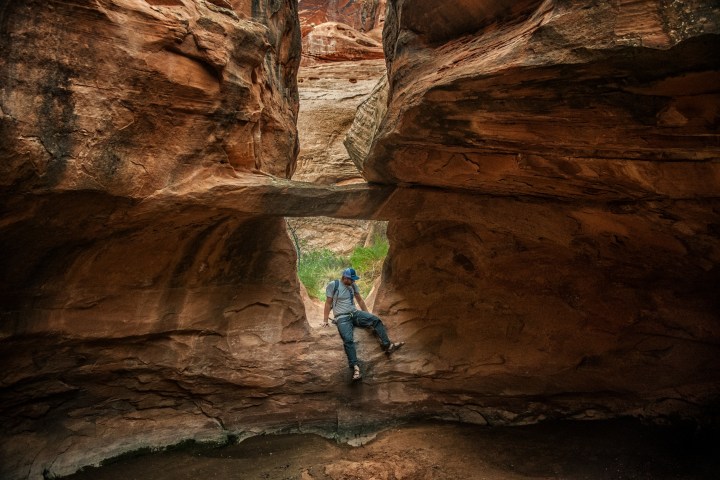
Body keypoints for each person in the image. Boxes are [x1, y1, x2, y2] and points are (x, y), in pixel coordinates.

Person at [322, 267, 404, 381]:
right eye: (351, 279)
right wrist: (325, 321)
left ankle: (387, 345)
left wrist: (367, 314)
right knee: (348, 340)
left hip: (355, 313)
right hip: (342, 317)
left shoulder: (353, 286)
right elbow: (328, 303)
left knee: (375, 320)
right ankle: (356, 368)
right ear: (345, 278)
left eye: (353, 280)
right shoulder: (333, 285)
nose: (353, 282)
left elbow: (360, 300)